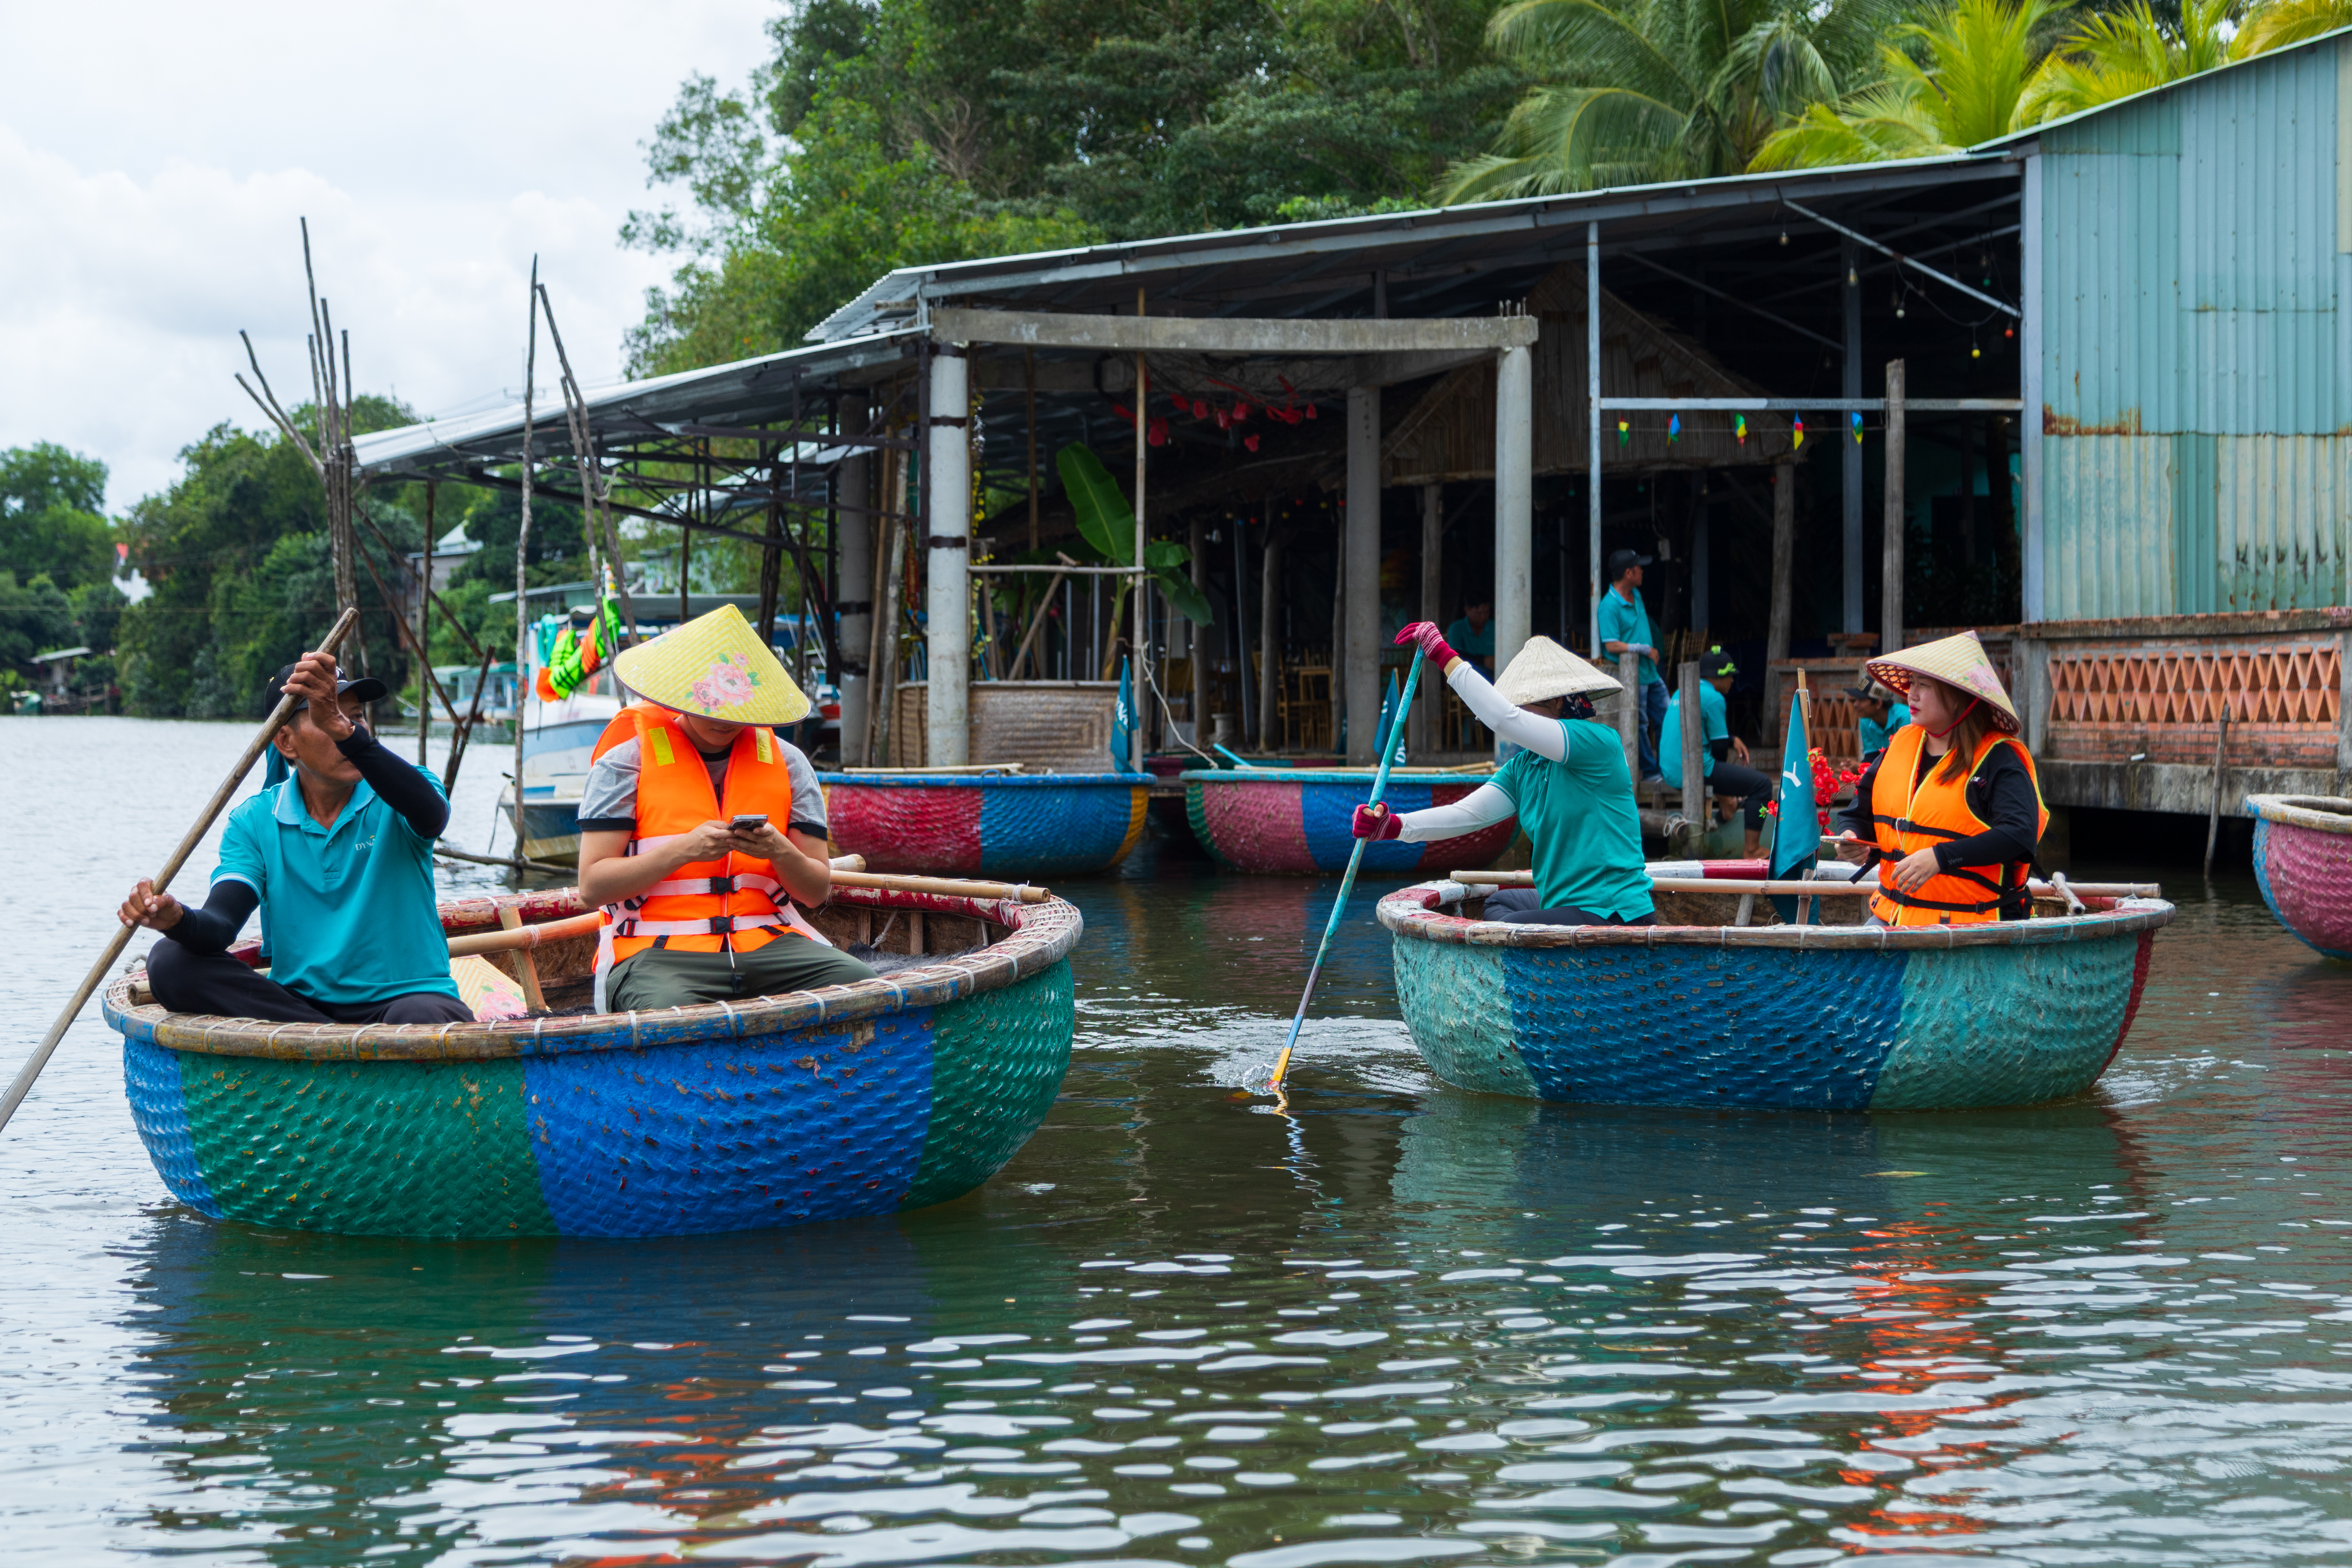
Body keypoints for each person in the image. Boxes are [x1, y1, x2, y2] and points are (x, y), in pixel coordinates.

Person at [118, 653, 474, 1025]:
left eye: (355, 718)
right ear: (286, 742)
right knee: (169, 961)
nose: (349, 728)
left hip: (404, 999)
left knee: (420, 1017)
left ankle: (330, 1045)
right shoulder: (255, 820)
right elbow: (221, 924)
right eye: (329, 718)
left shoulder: (401, 787)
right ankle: (324, 1036)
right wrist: (176, 919)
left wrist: (345, 733)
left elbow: (432, 816)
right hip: (301, 1008)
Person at [577, 604, 877, 1011]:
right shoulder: (624, 763)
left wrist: (778, 850)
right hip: (656, 951)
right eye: (709, 704)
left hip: (770, 941)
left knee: (867, 989)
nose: (723, 719)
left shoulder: (789, 764)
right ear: (679, 692)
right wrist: (685, 849)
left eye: (736, 707)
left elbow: (814, 891)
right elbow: (592, 887)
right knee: (672, 1017)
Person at [1353, 623, 1652, 927]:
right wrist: (1395, 827)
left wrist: (1444, 657)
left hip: (1612, 911)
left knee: (1508, 925)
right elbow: (1466, 814)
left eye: (1526, 705)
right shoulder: (1525, 766)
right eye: (1517, 705)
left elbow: (1505, 720)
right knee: (1499, 903)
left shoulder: (1598, 744)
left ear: (1559, 702)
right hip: (1562, 904)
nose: (1519, 712)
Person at [1833, 630, 2048, 925]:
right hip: (1891, 916)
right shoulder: (1899, 745)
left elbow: (2019, 834)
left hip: (1975, 924)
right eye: (1911, 684)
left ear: (1959, 698)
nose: (1912, 694)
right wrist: (1851, 838)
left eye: (1925, 685)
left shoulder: (1999, 758)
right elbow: (1856, 814)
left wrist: (1941, 857)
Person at [1659, 645, 1774, 856]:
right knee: (1762, 784)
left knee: (1720, 769)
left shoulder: (1681, 690)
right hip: (1691, 771)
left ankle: (1729, 804)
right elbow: (1719, 751)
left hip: (1670, 768)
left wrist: (1732, 739)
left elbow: (1709, 737)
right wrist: (1726, 792)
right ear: (1716, 677)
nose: (1733, 681)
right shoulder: (1714, 698)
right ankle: (1752, 850)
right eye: (1730, 676)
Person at [1595, 548, 1667, 784]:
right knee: (1640, 723)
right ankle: (1650, 771)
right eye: (1639, 568)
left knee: (1668, 715)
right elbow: (1611, 645)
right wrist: (1643, 649)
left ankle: (1668, 766)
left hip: (1650, 673)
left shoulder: (1636, 595)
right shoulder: (1609, 606)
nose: (1643, 571)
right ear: (1629, 573)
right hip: (1631, 675)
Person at [1847, 680, 1911, 759]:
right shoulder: (1866, 721)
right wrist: (1859, 768)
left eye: (1862, 700)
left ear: (1878, 704)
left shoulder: (1905, 718)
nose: (1855, 705)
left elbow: (1906, 758)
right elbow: (1871, 758)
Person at [1443, 596, 1496, 673]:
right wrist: (1483, 660)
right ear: (1467, 610)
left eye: (1487, 613)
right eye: (1479, 613)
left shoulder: (1496, 627)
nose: (1484, 617)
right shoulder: (1457, 628)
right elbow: (1454, 656)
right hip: (1465, 674)